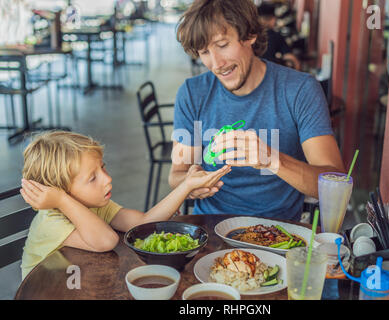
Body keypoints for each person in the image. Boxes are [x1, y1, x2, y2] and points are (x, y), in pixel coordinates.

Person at [169, 0, 345, 221]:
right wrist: (189, 185)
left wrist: (271, 158)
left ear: (250, 35)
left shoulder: (300, 90)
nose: (216, 63)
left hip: (277, 231)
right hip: (210, 229)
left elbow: (334, 184)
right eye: (204, 52)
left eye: (223, 45)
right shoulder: (192, 94)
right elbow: (176, 174)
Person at [19, 131, 230, 279]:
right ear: (60, 192)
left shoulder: (94, 205)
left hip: (79, 283)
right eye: (92, 178)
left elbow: (144, 223)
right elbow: (106, 241)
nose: (107, 179)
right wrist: (62, 200)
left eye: (103, 167)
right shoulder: (50, 221)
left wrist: (186, 186)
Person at [258, 2, 301, 70]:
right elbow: (292, 60)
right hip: (269, 74)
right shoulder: (275, 36)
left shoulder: (248, 36)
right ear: (273, 19)